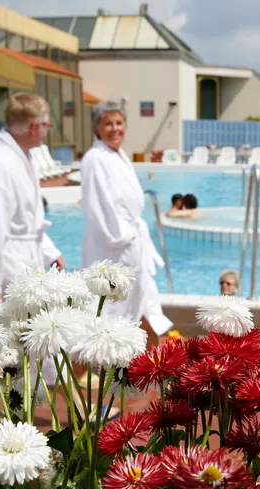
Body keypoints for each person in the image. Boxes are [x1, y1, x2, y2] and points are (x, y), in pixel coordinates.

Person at [81, 100, 173, 345]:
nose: (115, 128)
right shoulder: (95, 158)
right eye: (108, 123)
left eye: (119, 123)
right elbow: (99, 204)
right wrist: (123, 236)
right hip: (114, 245)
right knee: (112, 307)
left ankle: (145, 361)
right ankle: (99, 366)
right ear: (97, 128)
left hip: (129, 240)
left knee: (138, 301)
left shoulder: (118, 155)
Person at [0, 92, 65, 299]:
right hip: (9, 271)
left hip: (27, 262)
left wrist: (50, 252)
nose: (47, 132)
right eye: (46, 126)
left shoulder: (21, 157)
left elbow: (28, 219)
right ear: (33, 128)